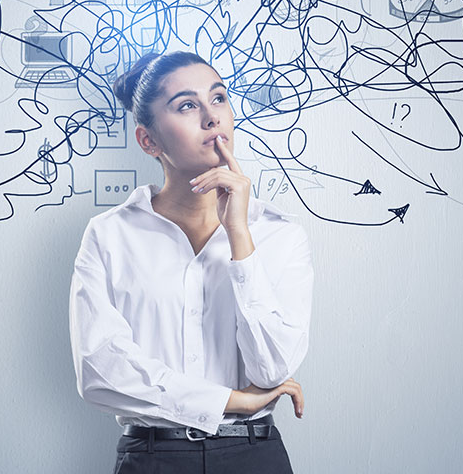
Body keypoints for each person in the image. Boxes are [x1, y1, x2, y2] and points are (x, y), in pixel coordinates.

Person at [69, 51, 313, 473]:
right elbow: (100, 372)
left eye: (218, 98)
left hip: (254, 456)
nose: (212, 117)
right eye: (187, 105)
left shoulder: (279, 234)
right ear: (149, 141)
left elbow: (273, 368)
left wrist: (239, 236)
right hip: (152, 458)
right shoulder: (110, 235)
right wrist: (230, 401)